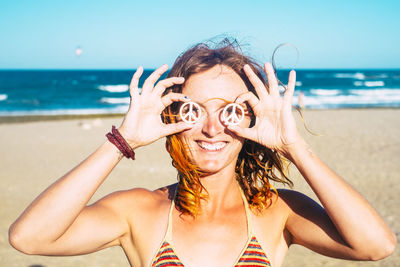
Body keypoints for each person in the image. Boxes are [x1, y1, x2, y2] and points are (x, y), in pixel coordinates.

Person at [9, 39, 396, 267]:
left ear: (251, 121)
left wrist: (294, 147)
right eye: (194, 111)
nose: (213, 128)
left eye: (230, 111)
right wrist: (123, 140)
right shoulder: (140, 212)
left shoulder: (277, 212)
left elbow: (376, 246)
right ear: (173, 116)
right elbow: (30, 238)